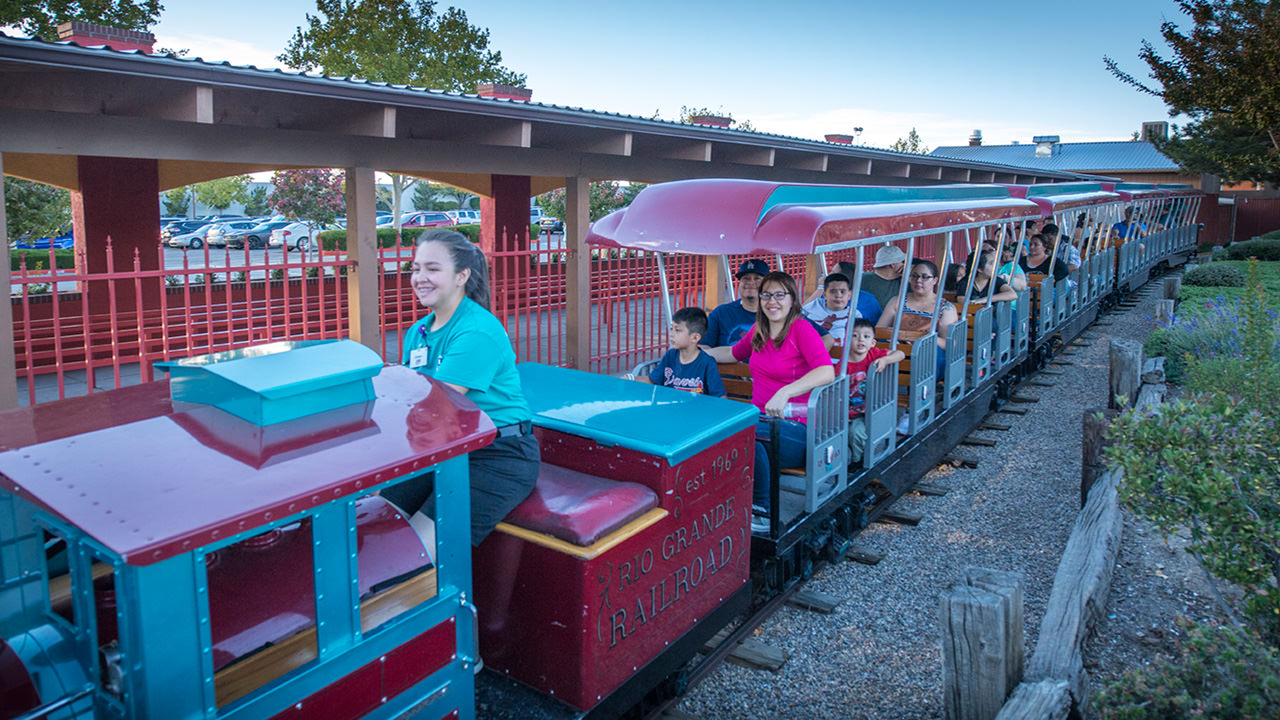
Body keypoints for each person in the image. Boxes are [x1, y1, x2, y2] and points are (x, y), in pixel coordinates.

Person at [386, 229, 540, 547]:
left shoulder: (476, 331)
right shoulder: (419, 332)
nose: (419, 277)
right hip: (442, 448)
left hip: (498, 455)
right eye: (416, 268)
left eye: (432, 268)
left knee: (416, 548)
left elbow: (433, 405)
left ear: (461, 276)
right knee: (378, 522)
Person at [705, 272, 834, 532]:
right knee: (740, 435)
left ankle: (762, 513)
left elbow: (826, 371)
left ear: (791, 299)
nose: (771, 301)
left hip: (798, 428)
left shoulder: (801, 329)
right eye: (766, 295)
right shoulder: (759, 330)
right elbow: (733, 353)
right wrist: (697, 352)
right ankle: (734, 504)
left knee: (742, 432)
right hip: (762, 423)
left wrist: (786, 392)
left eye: (779, 295)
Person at [844, 318, 905, 465]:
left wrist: (886, 360)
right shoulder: (842, 365)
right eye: (854, 335)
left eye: (866, 336)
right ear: (846, 339)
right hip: (852, 411)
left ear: (872, 343)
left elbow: (900, 354)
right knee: (850, 432)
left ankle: (859, 462)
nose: (860, 340)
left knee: (856, 433)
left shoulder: (874, 355)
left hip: (874, 407)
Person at [632, 307, 725, 397]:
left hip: (695, 411)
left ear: (695, 337)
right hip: (670, 410)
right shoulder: (670, 356)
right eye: (671, 329)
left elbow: (720, 397)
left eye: (677, 330)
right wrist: (630, 379)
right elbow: (652, 380)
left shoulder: (707, 363)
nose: (671, 334)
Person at [704, 258, 768, 348]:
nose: (750, 282)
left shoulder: (774, 314)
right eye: (746, 278)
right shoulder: (720, 314)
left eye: (757, 278)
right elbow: (704, 347)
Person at [801, 272, 857, 341]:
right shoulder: (815, 305)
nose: (838, 296)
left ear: (849, 295)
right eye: (833, 291)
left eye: (842, 292)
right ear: (825, 295)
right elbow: (797, 316)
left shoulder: (854, 314)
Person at [861, 245, 906, 313]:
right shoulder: (863, 280)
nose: (904, 265)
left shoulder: (906, 280)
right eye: (903, 261)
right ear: (893, 264)